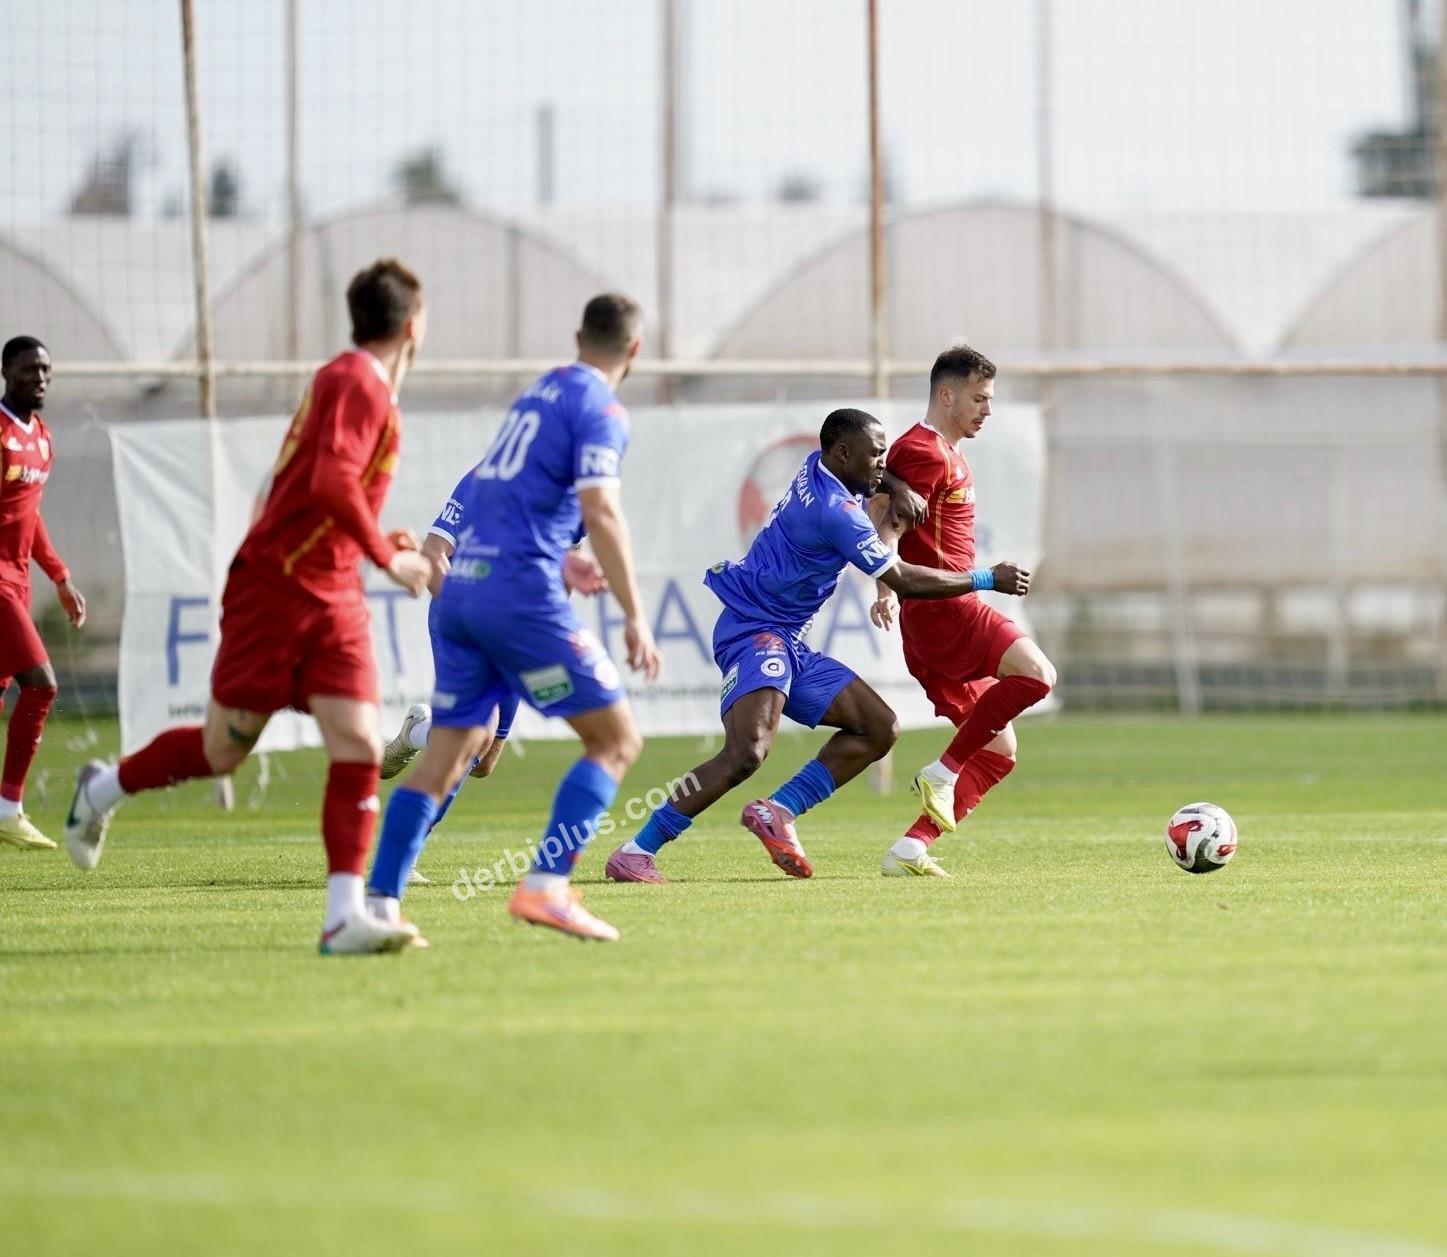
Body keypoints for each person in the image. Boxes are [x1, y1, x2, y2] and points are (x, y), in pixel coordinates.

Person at [64, 259, 437, 955]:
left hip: (330, 595)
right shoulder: (358, 381)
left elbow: (292, 490)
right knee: (221, 751)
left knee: (357, 744)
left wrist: (373, 540)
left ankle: (343, 915)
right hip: (276, 590)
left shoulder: (349, 382)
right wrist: (390, 558)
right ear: (414, 325)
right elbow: (327, 480)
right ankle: (102, 786)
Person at [603, 407, 1024, 884]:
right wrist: (988, 578)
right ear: (843, 453)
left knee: (878, 727)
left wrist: (893, 486)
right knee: (747, 752)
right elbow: (903, 579)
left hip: (787, 639)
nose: (882, 465)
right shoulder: (838, 515)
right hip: (754, 630)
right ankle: (636, 850)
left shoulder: (815, 465)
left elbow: (871, 480)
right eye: (875, 456)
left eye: (885, 455)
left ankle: (778, 810)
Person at [364, 293, 659, 943]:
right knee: (615, 741)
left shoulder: (535, 396)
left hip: (465, 595)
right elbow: (601, 509)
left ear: (577, 335)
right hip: (517, 597)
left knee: (453, 754)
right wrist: (634, 614)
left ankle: (376, 905)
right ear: (634, 350)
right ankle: (546, 887)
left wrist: (565, 562)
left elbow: (501, 503)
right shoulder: (601, 409)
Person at [868, 343, 1055, 877]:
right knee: (1039, 675)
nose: (987, 410)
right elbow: (890, 519)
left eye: (990, 399)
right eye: (979, 398)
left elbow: (887, 508)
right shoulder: (924, 451)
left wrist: (886, 587)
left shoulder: (941, 450)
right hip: (946, 613)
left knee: (998, 752)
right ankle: (943, 770)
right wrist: (886, 586)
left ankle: (909, 849)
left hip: (934, 623)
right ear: (946, 394)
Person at [369, 526, 608, 890]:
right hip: (467, 615)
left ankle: (420, 732)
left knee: (485, 760)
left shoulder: (574, 496)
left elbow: (561, 566)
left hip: (520, 627)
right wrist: (466, 617)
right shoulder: (487, 479)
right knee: (476, 735)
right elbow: (434, 552)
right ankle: (400, 866)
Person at [0, 336, 86, 850]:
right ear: (7, 370)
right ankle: (9, 807)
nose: (41, 377)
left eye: (48, 369)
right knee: (42, 684)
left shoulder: (43, 438)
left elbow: (28, 519)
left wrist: (60, 577)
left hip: (19, 582)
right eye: (31, 368)